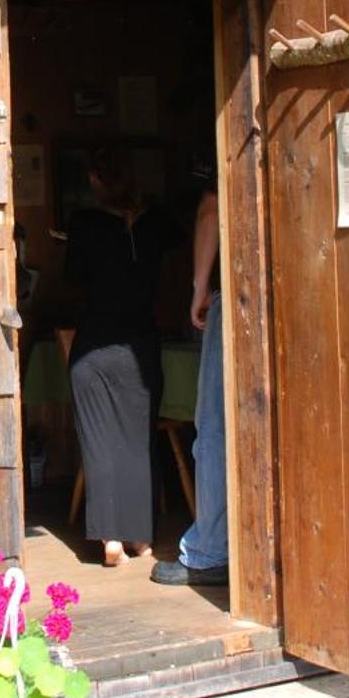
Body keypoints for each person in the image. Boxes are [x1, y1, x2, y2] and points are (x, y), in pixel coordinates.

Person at [66, 146, 175, 567]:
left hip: (93, 345)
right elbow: (180, 237)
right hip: (139, 346)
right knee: (137, 441)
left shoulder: (84, 223)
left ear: (95, 182)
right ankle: (140, 539)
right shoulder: (154, 223)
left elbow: (73, 277)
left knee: (99, 443)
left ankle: (110, 540)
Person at [153, 181, 229, 587]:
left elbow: (212, 206)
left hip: (233, 294)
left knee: (215, 425)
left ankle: (211, 549)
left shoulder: (221, 155)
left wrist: (199, 286)